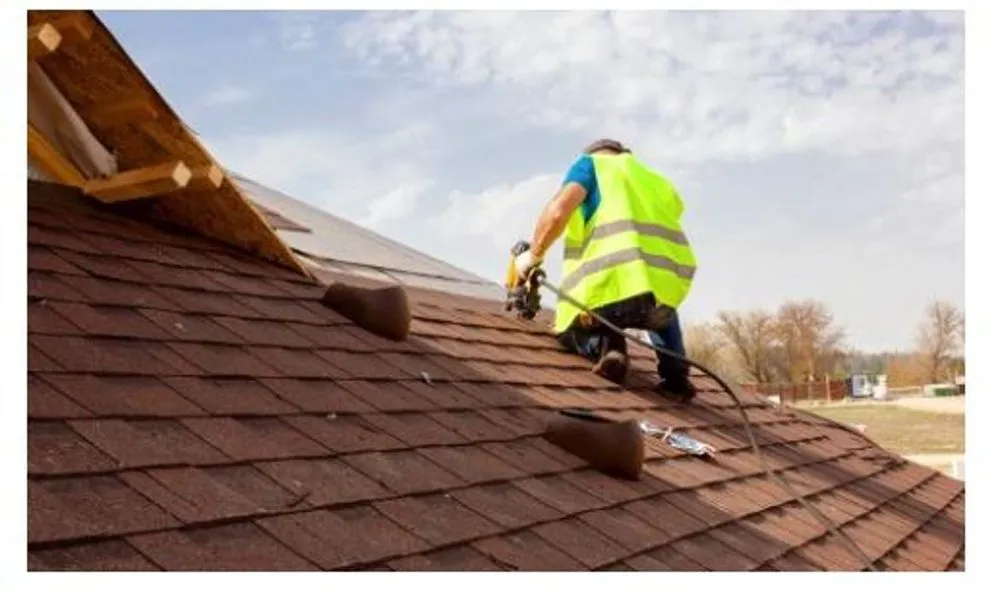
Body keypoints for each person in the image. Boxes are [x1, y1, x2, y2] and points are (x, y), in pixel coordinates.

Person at [513, 138, 698, 400]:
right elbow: (673, 210)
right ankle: (676, 375)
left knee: (568, 330)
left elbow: (557, 212)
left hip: (612, 283)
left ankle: (608, 348)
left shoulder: (590, 165)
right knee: (658, 309)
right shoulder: (652, 177)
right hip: (662, 287)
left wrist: (533, 255)